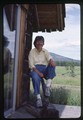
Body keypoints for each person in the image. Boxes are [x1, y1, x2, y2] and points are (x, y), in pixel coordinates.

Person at [28, 36, 56, 107]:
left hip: (44, 68)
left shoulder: (45, 51)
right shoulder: (32, 52)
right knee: (35, 77)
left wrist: (52, 61)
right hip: (35, 69)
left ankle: (47, 86)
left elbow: (49, 58)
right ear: (35, 43)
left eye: (41, 42)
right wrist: (39, 73)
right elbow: (31, 65)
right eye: (38, 41)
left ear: (43, 43)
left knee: (52, 65)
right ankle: (38, 98)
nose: (40, 43)